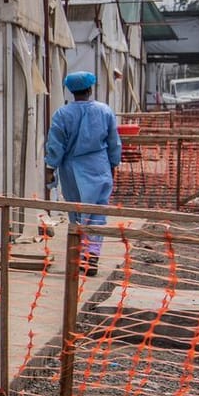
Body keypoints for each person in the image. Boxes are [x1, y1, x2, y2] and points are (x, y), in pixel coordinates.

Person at [45, 70, 124, 276]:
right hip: (99, 167)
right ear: (90, 89)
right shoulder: (104, 111)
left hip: (71, 170)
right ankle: (92, 256)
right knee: (97, 213)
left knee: (77, 212)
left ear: (71, 91)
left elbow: (55, 145)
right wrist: (114, 164)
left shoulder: (62, 114)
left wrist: (50, 169)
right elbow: (114, 142)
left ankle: (79, 255)